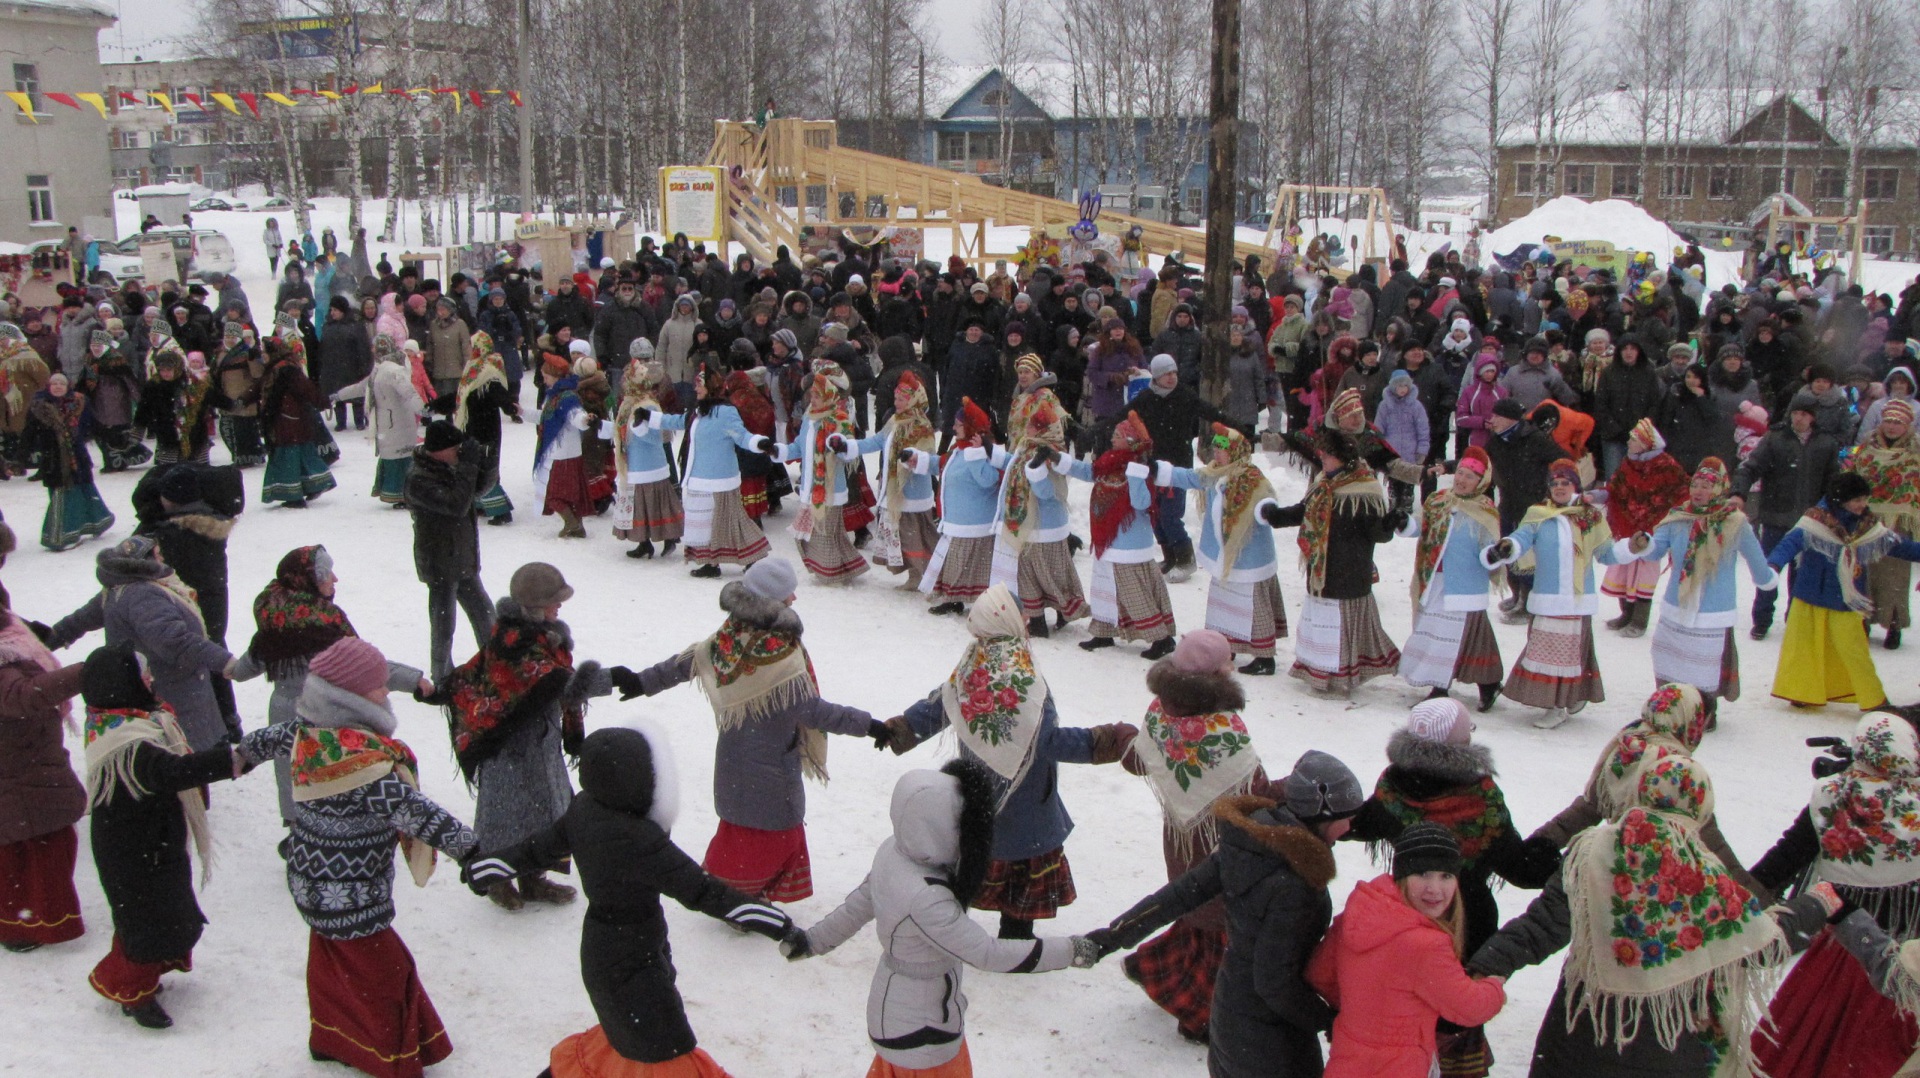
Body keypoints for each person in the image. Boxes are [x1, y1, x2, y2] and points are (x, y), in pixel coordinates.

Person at [1467, 755, 1843, 1078]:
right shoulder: (1704, 874)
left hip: (1587, 1032)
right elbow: (1758, 943)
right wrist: (1816, 904)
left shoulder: (1593, 855)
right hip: (1673, 1042)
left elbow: (1540, 927)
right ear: (1701, 808)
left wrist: (1484, 967)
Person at [460, 722, 796, 1078]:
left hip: (603, 951)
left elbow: (532, 851)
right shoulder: (640, 841)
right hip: (633, 960)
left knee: (629, 1042)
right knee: (664, 1051)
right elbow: (705, 892)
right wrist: (780, 925)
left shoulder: (584, 810)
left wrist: (483, 869)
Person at [234, 638, 479, 1078]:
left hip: (312, 882)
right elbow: (416, 813)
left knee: (333, 966)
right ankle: (392, 1058)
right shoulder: (360, 764)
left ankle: (332, 1038)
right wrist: (474, 850)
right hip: (350, 894)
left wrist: (240, 755)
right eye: (378, 688)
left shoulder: (308, 734)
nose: (385, 693)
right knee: (386, 975)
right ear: (348, 697)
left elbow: (266, 739)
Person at [783, 760, 1101, 1077]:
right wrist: (1071, 950)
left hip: (899, 1018)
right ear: (939, 830)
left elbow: (855, 908)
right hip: (923, 1032)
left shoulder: (893, 854)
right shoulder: (926, 898)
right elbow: (988, 954)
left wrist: (811, 941)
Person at [611, 559, 881, 902]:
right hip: (772, 769)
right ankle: (739, 897)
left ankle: (731, 889)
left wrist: (642, 681)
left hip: (734, 757)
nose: (794, 599)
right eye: (788, 595)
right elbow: (813, 712)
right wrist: (871, 726)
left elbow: (688, 662)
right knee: (768, 837)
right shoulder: (779, 658)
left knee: (739, 829)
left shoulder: (730, 636)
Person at [1087, 750, 1365, 1078]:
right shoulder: (1295, 885)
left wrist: (1113, 935)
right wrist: (1331, 1020)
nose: (1350, 828)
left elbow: (1176, 897)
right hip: (1270, 1041)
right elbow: (1274, 983)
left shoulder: (1252, 842)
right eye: (1346, 818)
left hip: (1228, 1013)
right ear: (1320, 816)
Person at [880, 587, 1136, 940]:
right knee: (1020, 867)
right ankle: (1015, 937)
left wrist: (904, 728)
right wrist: (1105, 740)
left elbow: (943, 703)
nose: (1028, 622)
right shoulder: (1022, 675)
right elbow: (1047, 741)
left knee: (979, 854)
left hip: (979, 791)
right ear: (1009, 621)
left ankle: (948, 926)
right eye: (1023, 616)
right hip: (1026, 794)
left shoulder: (976, 660)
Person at [79, 643, 254, 1028]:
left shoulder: (126, 718)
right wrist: (238, 758)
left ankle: (146, 971)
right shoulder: (127, 743)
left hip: (150, 841)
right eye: (143, 673)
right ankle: (132, 992)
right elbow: (173, 772)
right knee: (147, 923)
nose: (151, 678)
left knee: (164, 914)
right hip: (134, 849)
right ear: (121, 683)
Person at [1115, 630, 1274, 1041]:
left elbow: (1139, 760)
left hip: (1181, 832)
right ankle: (1198, 1014)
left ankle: (1157, 965)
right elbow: (1254, 789)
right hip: (1223, 836)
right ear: (1215, 673)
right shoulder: (1221, 726)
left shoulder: (1161, 708)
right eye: (1227, 662)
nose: (1232, 667)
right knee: (1219, 917)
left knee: (1192, 902)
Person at [1748, 711, 1920, 1078]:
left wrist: (1729, 905)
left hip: (1836, 952)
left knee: (1802, 1053)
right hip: (1902, 968)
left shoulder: (1831, 796)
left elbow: (1779, 864)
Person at [437, 563, 610, 910]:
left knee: (545, 810)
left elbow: (557, 680)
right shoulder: (514, 643)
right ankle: (497, 877)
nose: (559, 607)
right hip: (507, 748)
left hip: (541, 744)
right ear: (534, 607)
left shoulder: (546, 638)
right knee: (504, 815)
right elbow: (551, 681)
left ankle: (534, 877)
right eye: (554, 601)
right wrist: (620, 679)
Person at [1306, 824, 1508, 1078]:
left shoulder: (1360, 912)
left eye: (1446, 876)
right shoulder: (1426, 945)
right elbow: (1469, 1008)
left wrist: (1365, 1007)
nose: (1434, 888)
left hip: (1346, 1066)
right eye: (1423, 874)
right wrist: (1494, 985)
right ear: (1402, 875)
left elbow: (1319, 973)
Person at [44, 536, 243, 752]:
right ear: (144, 562)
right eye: (158, 555)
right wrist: (226, 662)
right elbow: (175, 641)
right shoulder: (144, 594)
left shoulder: (118, 588)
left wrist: (47, 639)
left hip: (149, 687)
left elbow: (79, 620)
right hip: (172, 691)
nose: (163, 558)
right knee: (183, 757)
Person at [1617, 457, 1777, 725]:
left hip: (1712, 607)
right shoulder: (1679, 517)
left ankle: (1705, 710)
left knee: (1705, 662)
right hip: (1677, 602)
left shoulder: (1735, 523)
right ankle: (1670, 704)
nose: (1698, 491)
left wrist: (1766, 581)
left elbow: (1756, 558)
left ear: (1719, 490)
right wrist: (1643, 543)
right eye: (1695, 485)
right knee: (1668, 654)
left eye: (1706, 486)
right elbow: (1658, 549)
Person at [1483, 458, 1624, 728]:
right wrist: (1508, 545)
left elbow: (1606, 552)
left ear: (1575, 486)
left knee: (1570, 655)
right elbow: (1522, 538)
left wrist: (1634, 547)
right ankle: (1559, 700)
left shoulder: (1590, 517)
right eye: (1555, 484)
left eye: (1565, 483)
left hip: (1576, 600)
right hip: (1547, 598)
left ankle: (1560, 704)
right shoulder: (1538, 515)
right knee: (1546, 653)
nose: (1559, 488)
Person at [1263, 428, 1404, 695]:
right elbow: (1305, 511)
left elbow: (1376, 533)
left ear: (1344, 459)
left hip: (1349, 570)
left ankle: (1341, 675)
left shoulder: (1364, 489)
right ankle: (1319, 670)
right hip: (1322, 568)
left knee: (1340, 627)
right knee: (1323, 624)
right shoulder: (1323, 483)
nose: (1323, 459)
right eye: (1323, 455)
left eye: (1328, 456)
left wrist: (1389, 522)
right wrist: (1277, 516)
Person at [1767, 471, 1920, 711]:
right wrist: (1773, 565)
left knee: (1854, 650)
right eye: (1857, 500)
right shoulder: (1815, 521)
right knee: (1805, 649)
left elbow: (1898, 546)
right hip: (1810, 596)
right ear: (1841, 499)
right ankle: (1803, 692)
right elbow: (1790, 543)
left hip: (1846, 600)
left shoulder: (1867, 527)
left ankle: (1873, 699)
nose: (1863, 505)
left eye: (1864, 499)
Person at [1155, 425, 1288, 674]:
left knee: (1252, 606)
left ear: (1236, 451)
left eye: (1222, 449)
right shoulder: (1214, 474)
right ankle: (1228, 646)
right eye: (1215, 447)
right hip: (1224, 557)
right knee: (1225, 607)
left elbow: (1265, 497)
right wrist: (1160, 471)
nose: (1216, 452)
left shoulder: (1250, 476)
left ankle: (1264, 657)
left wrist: (1267, 510)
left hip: (1248, 558)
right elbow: (1188, 477)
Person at [0, 582, 88, 953]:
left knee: (22, 848)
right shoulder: (4, 657)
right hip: (21, 767)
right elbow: (21, 696)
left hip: (23, 762)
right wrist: (85, 673)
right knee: (40, 850)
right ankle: (28, 926)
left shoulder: (13, 637)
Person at [1061, 412, 1177, 658]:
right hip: (1107, 541)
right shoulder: (1108, 462)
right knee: (1104, 588)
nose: (1112, 438)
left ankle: (1161, 637)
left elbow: (1143, 502)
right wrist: (1060, 461)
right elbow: (1089, 471)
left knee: (1134, 593)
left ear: (1131, 441)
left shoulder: (1139, 468)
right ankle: (1104, 632)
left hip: (1129, 545)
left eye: (1118, 435)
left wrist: (1136, 475)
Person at [1400, 447, 1505, 710]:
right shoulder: (1437, 501)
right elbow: (1420, 528)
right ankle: (1487, 683)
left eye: (1469, 476)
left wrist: (1494, 555)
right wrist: (1402, 523)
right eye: (1460, 473)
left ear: (1480, 482)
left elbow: (1488, 550)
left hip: (1466, 586)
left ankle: (1442, 687)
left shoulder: (1485, 510)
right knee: (1448, 636)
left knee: (1458, 637)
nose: (1461, 480)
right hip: (1434, 579)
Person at [990, 358, 1087, 635]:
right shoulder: (1020, 396)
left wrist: (1034, 455)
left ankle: (1059, 608)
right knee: (1031, 564)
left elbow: (1053, 423)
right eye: (1019, 371)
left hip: (1036, 464)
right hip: (1022, 452)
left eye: (1027, 372)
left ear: (1037, 373)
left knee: (1046, 566)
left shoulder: (1044, 397)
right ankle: (1038, 615)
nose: (1022, 376)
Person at [656, 363, 772, 577]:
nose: (695, 389)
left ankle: (753, 556)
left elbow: (742, 436)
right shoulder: (698, 412)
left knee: (733, 522)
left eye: (699, 385)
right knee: (705, 525)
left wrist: (760, 443)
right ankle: (710, 563)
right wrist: (650, 418)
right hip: (699, 478)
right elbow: (677, 421)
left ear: (711, 387)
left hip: (720, 480)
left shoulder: (726, 412)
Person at [405, 421, 494, 681]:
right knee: (444, 626)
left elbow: (477, 490)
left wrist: (486, 464)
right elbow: (457, 504)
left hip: (464, 558)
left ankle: (498, 666)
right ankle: (442, 677)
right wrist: (468, 466)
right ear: (440, 450)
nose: (459, 452)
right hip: (440, 563)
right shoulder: (419, 479)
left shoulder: (450, 467)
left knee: (486, 617)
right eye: (455, 448)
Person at [1598, 420, 1689, 637]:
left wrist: (1675, 515)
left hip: (1653, 533)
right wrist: (1597, 495)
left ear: (1645, 443)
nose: (1628, 442)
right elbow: (1614, 488)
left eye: (1633, 439)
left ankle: (1639, 620)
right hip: (1627, 529)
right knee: (1623, 569)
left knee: (1645, 575)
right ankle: (1625, 614)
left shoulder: (1667, 465)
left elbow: (1683, 491)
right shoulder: (1627, 464)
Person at [781, 361, 868, 582]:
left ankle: (832, 573)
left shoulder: (837, 419)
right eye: (812, 395)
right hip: (810, 487)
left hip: (829, 488)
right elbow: (798, 447)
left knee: (826, 534)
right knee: (824, 533)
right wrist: (777, 451)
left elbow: (846, 450)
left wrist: (839, 444)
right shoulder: (810, 419)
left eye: (817, 396)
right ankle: (843, 568)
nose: (812, 400)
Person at [850, 370, 938, 588]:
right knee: (903, 536)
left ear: (913, 400)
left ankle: (924, 575)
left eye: (902, 399)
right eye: (896, 398)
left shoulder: (920, 425)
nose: (897, 403)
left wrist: (911, 459)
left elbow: (927, 459)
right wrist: (849, 446)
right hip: (895, 492)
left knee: (914, 537)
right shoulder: (895, 421)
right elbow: (878, 441)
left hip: (912, 493)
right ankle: (916, 574)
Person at [1844, 398, 1919, 648]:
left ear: (1908, 424)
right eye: (1888, 420)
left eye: (1898, 422)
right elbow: (1851, 476)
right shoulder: (1865, 448)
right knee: (1865, 572)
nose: (1892, 426)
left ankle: (1894, 623)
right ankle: (1863, 620)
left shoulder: (1916, 451)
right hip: (1867, 520)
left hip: (1900, 522)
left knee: (1895, 576)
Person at [921, 398, 1008, 615]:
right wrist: (916, 460)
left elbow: (989, 481)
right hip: (957, 521)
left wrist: (977, 456)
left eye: (958, 424)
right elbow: (942, 465)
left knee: (966, 564)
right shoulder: (958, 449)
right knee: (954, 562)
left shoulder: (985, 452)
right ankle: (954, 597)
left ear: (969, 427)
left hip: (975, 522)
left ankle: (962, 599)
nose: (953, 428)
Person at [23, 372, 117, 551]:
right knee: (62, 494)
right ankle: (61, 534)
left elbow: (94, 426)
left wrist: (112, 437)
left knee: (82, 489)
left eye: (62, 383)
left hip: (78, 457)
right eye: (54, 383)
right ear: (48, 386)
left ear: (68, 387)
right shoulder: (39, 407)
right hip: (53, 459)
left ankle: (85, 525)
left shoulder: (80, 403)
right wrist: (21, 457)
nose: (58, 386)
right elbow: (28, 433)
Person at [332, 333, 420, 507]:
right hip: (390, 422)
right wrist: (339, 395)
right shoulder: (380, 368)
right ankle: (401, 493)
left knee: (399, 456)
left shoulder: (392, 370)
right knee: (395, 455)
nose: (372, 351)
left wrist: (422, 408)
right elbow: (363, 386)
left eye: (375, 348)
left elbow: (408, 392)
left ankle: (402, 494)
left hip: (397, 422)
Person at [609, 360, 684, 559]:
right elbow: (621, 429)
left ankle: (668, 537)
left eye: (627, 379)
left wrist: (638, 428)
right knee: (639, 506)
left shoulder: (649, 405)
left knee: (653, 503)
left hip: (649, 465)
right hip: (633, 464)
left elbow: (657, 437)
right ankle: (644, 542)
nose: (624, 382)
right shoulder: (628, 404)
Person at [258, 336, 336, 508]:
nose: (262, 354)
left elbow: (305, 389)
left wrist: (322, 401)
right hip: (290, 420)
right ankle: (313, 485)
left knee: (289, 456)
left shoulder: (285, 370)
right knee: (302, 453)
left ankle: (293, 495)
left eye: (264, 350)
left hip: (288, 420)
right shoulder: (278, 368)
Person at [211, 322, 266, 468]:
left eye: (233, 336)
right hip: (225, 397)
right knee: (227, 429)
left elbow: (258, 374)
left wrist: (254, 359)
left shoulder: (247, 352)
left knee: (243, 430)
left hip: (243, 397)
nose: (230, 339)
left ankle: (246, 457)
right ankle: (239, 455)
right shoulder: (219, 353)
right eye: (227, 336)